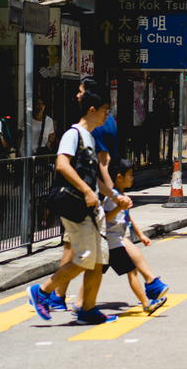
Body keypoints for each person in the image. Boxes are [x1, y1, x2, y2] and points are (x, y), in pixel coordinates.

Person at [27, 87, 129, 324]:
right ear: (92, 110)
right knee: (84, 257)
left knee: (99, 259)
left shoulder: (90, 137)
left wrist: (113, 196)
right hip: (77, 206)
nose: (107, 116)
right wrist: (85, 191)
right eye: (105, 111)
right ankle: (41, 292)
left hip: (91, 207)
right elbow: (62, 165)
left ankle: (87, 309)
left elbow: (92, 177)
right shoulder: (73, 134)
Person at [103, 158, 169, 314]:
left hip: (117, 240)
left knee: (93, 275)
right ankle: (147, 303)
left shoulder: (120, 195)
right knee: (131, 271)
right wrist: (119, 206)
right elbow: (105, 218)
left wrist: (141, 234)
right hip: (112, 242)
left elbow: (127, 216)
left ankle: (81, 303)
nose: (132, 178)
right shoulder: (112, 198)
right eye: (130, 175)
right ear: (119, 177)